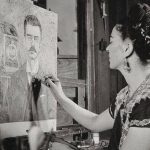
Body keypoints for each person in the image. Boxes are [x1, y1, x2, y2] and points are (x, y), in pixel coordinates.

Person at [43, 2, 150, 150]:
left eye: (111, 41)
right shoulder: (127, 95)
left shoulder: (147, 102)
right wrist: (60, 96)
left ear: (127, 48)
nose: (107, 48)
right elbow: (95, 122)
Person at [6, 15, 56, 122]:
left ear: (40, 43)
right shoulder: (13, 79)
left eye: (36, 38)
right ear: (24, 40)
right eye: (29, 38)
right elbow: (5, 116)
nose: (32, 43)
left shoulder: (49, 81)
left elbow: (51, 120)